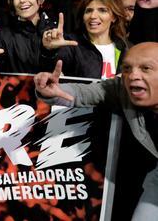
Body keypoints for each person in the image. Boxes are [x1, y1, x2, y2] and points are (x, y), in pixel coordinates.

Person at [34, 42, 158, 220]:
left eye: (146, 68)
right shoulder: (122, 88)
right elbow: (87, 92)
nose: (133, 75)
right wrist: (54, 91)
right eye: (127, 68)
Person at [41, 0, 129, 79]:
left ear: (114, 17)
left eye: (102, 10)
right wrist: (49, 52)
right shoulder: (71, 44)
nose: (93, 16)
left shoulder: (124, 47)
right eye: (89, 10)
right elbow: (49, 72)